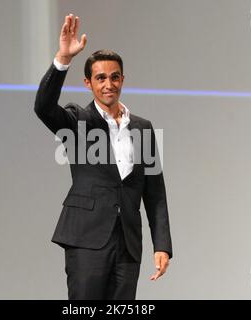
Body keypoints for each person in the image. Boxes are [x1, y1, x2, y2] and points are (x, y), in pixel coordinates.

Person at [34, 14, 173, 300]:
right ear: (88, 83)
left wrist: (162, 245)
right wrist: (62, 58)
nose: (108, 84)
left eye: (114, 77)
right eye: (100, 78)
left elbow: (155, 193)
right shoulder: (78, 120)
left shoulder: (143, 127)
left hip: (128, 244)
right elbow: (44, 107)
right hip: (87, 239)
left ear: (123, 79)